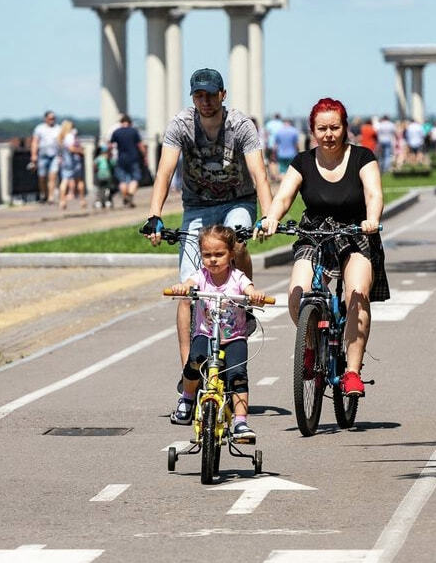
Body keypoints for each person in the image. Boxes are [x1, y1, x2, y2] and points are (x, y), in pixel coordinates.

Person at [144, 67, 274, 410]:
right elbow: (164, 170)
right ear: (193, 98)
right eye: (198, 95)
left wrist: (269, 214)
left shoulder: (241, 126)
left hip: (237, 199)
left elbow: (259, 173)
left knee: (239, 242)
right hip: (197, 204)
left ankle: (242, 305)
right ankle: (192, 370)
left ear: (222, 95)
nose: (204, 101)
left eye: (210, 95)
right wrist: (155, 215)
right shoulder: (181, 125)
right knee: (188, 287)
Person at [260, 97, 388, 397]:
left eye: (335, 128)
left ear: (345, 128)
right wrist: (272, 218)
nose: (328, 134)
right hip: (314, 233)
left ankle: (352, 372)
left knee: (358, 293)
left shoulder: (362, 158)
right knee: (297, 293)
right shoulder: (303, 162)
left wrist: (372, 219)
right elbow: (283, 196)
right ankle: (311, 348)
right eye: (322, 129)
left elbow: (374, 193)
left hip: (355, 233)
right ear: (312, 130)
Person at [167, 225, 268, 440]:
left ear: (231, 254)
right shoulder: (201, 276)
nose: (213, 259)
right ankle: (187, 398)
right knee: (194, 362)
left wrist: (255, 295)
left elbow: (249, 289)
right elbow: (189, 283)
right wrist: (182, 287)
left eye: (219, 254)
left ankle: (241, 422)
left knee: (238, 375)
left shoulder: (237, 278)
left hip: (234, 337)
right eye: (207, 255)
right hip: (206, 334)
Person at [109, 115, 145, 208]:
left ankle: (125, 196)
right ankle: (130, 194)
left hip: (121, 159)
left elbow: (110, 145)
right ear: (130, 123)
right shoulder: (134, 131)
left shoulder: (116, 132)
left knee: (122, 180)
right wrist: (145, 156)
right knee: (135, 178)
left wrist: (109, 155)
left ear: (121, 122)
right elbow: (140, 145)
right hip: (134, 158)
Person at [30, 110, 61, 203]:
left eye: (54, 118)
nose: (52, 120)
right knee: (42, 176)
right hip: (42, 155)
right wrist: (34, 155)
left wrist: (61, 155)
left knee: (52, 177)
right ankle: (44, 194)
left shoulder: (58, 128)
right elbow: (35, 142)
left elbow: (61, 143)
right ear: (46, 119)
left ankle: (51, 196)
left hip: (54, 155)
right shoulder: (39, 129)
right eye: (50, 118)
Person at [57, 120, 87, 209]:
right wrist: (80, 151)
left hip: (65, 162)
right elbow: (71, 148)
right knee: (79, 180)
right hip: (73, 161)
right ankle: (82, 200)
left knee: (64, 181)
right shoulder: (70, 136)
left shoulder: (61, 137)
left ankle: (62, 200)